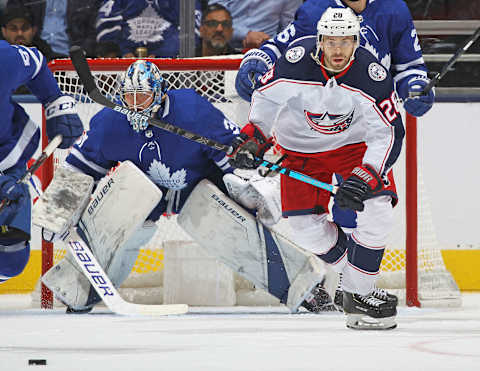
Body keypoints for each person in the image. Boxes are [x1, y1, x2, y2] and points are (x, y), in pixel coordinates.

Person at [229, 7, 403, 329]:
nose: (338, 50)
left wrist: (367, 174)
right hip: (300, 149)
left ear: (356, 41)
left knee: (378, 212)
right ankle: (356, 278)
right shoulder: (295, 61)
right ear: (320, 41)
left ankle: (357, 295)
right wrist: (255, 136)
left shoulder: (372, 74)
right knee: (306, 228)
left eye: (346, 41)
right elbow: (266, 100)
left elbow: (389, 132)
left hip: (355, 147)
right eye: (331, 42)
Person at [235, 0, 435, 118]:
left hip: (371, 122)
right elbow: (279, 49)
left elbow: (410, 67)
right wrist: (257, 62)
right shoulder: (316, 9)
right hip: (317, 122)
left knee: (372, 187)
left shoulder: (394, 9)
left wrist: (416, 87)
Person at [0, 41, 83, 285]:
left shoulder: (5, 59)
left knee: (11, 260)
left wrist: (56, 102)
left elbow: (35, 63)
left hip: (7, 153)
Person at [96, 0, 202, 58]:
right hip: (124, 65)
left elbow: (190, 36)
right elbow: (106, 30)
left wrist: (162, 56)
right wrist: (123, 52)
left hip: (168, 69)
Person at [7, 0, 99, 58]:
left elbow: (94, 32)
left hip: (73, 60)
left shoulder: (89, 2)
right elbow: (11, 22)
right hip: (34, 55)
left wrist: (80, 55)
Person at [208, 0, 303, 50]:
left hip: (267, 52)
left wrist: (272, 43)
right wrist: (245, 34)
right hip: (222, 48)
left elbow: (289, 29)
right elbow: (211, 18)